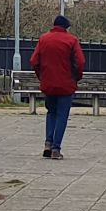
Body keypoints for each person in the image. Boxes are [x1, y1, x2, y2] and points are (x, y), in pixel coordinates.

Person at [29, 14, 85, 159]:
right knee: (62, 115)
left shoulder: (44, 39)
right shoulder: (71, 40)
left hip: (49, 83)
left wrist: (41, 76)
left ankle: (48, 142)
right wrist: (76, 77)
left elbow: (34, 61)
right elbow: (80, 62)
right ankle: (56, 148)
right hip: (66, 84)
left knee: (51, 112)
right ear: (66, 27)